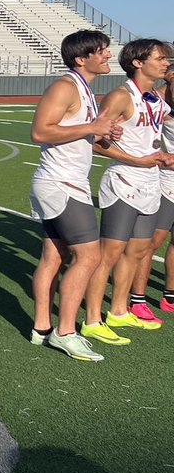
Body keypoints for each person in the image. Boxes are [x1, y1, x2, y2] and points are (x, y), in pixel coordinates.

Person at [28, 30, 119, 360]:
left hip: (64, 182)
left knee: (53, 257)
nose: (108, 54)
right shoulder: (66, 86)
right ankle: (65, 331)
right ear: (82, 59)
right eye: (102, 50)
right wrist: (92, 128)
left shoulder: (83, 89)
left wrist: (102, 135)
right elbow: (40, 131)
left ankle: (41, 328)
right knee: (89, 257)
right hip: (61, 184)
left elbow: (77, 135)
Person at [81, 39, 174, 345]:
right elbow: (95, 141)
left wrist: (162, 156)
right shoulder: (121, 96)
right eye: (160, 58)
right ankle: (93, 319)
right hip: (124, 181)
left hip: (150, 183)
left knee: (136, 252)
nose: (166, 63)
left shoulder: (157, 101)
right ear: (137, 62)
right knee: (108, 255)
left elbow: (146, 140)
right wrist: (137, 160)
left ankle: (119, 311)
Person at [131, 63, 174, 322]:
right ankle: (137, 299)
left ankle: (169, 295)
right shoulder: (155, 99)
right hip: (163, 181)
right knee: (150, 243)